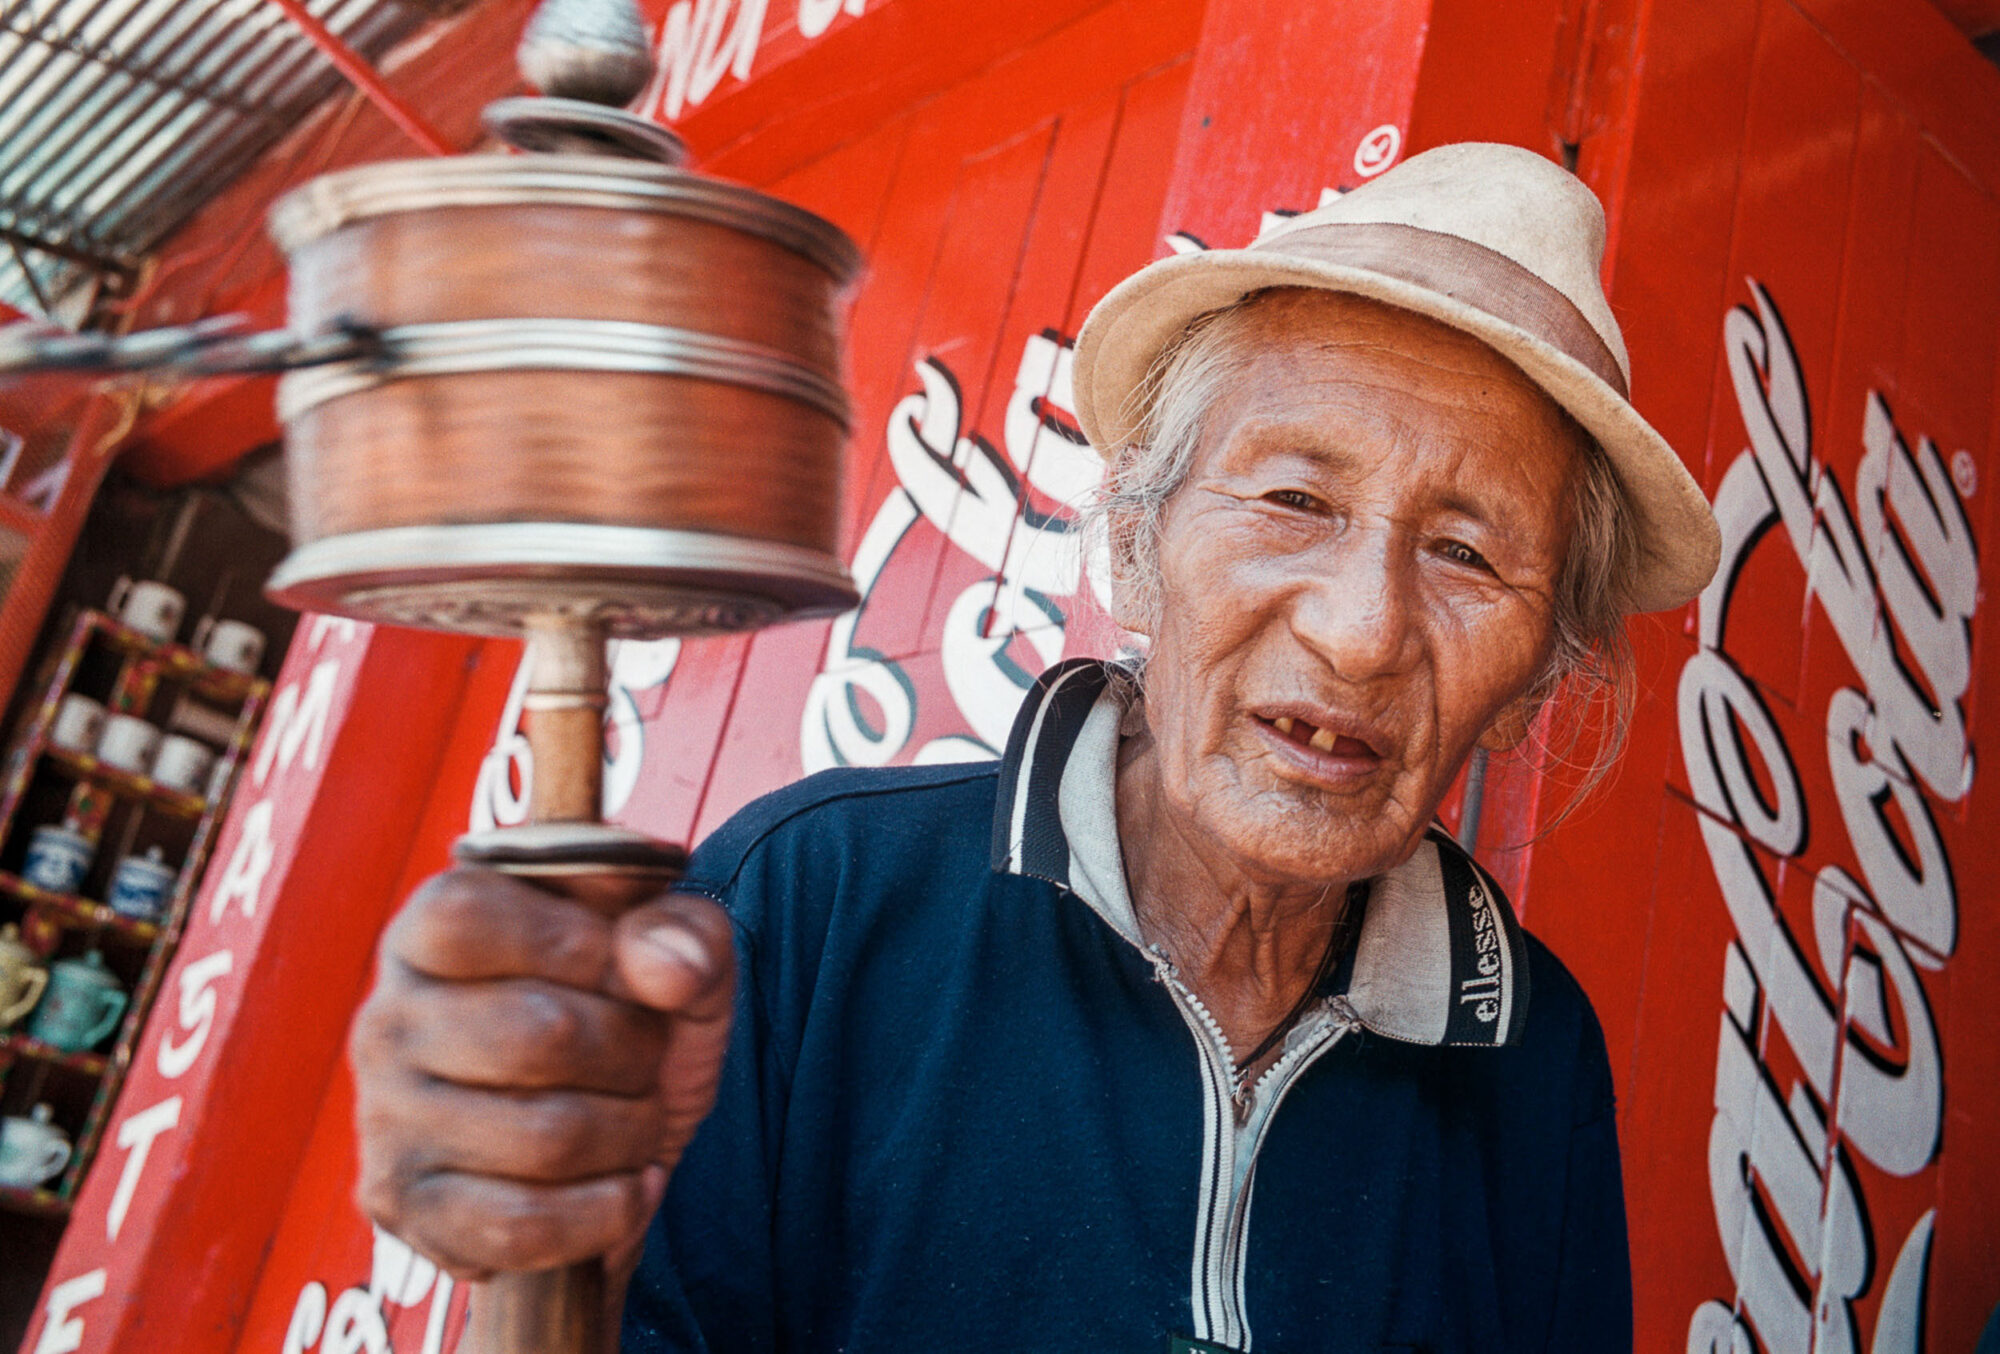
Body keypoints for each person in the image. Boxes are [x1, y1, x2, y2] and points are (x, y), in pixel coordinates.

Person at [348, 142, 1721, 1353]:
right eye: (1296, 496)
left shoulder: (1532, 1059)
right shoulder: (812, 902)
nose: (1365, 631)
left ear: (1536, 673)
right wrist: (540, 1257)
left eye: (1470, 554)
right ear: (1133, 543)